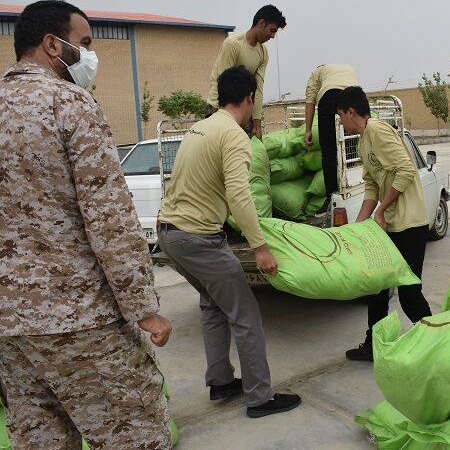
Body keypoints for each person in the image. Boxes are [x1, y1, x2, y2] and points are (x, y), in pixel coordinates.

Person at [0, 0, 173, 449]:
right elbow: (109, 218)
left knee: (41, 439)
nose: (89, 56)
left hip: (5, 326)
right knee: (133, 434)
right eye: (84, 43)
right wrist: (143, 307)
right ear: (53, 44)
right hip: (78, 319)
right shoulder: (70, 103)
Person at [158, 65, 301, 418]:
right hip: (198, 238)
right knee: (247, 314)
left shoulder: (199, 128)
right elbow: (241, 195)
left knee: (212, 303)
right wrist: (261, 247)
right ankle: (260, 398)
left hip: (170, 235)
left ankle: (221, 381)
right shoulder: (235, 136)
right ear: (250, 98)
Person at [335, 86, 432, 361]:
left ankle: (434, 341)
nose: (341, 122)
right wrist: (357, 226)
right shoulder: (364, 140)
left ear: (351, 112)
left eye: (341, 116)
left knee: (409, 292)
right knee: (376, 289)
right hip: (390, 225)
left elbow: (406, 169)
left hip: (410, 225)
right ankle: (374, 344)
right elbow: (370, 186)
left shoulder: (377, 131)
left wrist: (381, 210)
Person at [206, 5, 287, 139]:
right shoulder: (232, 44)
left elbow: (258, 90)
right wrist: (228, 121)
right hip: (219, 108)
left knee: (247, 151)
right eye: (272, 30)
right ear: (261, 23)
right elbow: (224, 84)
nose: (272, 36)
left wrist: (256, 124)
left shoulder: (263, 53)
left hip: (243, 109)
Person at [303, 64, 359, 214]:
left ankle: (332, 198)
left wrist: (308, 130)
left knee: (328, 151)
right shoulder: (349, 68)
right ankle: (352, 185)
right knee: (350, 145)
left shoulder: (315, 74)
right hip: (353, 96)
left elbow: (310, 101)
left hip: (329, 97)